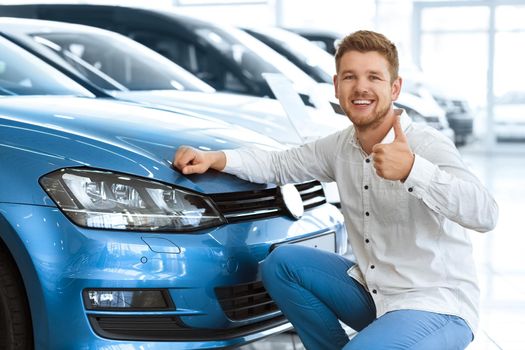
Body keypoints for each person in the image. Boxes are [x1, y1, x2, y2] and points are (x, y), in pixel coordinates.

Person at [173, 30, 498, 350]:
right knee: (282, 264)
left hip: (436, 305)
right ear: (336, 86)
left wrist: (413, 169)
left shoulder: (427, 145)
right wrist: (214, 158)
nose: (361, 88)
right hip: (376, 293)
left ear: (395, 87)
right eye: (350, 77)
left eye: (374, 77)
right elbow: (279, 164)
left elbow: (485, 213)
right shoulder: (341, 146)